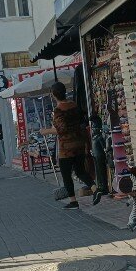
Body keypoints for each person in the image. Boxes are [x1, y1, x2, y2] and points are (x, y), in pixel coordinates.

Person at [40, 81, 101, 209]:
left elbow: (61, 129)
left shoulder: (58, 110)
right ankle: (95, 189)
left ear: (53, 95)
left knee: (66, 175)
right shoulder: (74, 105)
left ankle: (73, 201)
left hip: (66, 148)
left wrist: (46, 131)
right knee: (80, 171)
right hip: (79, 143)